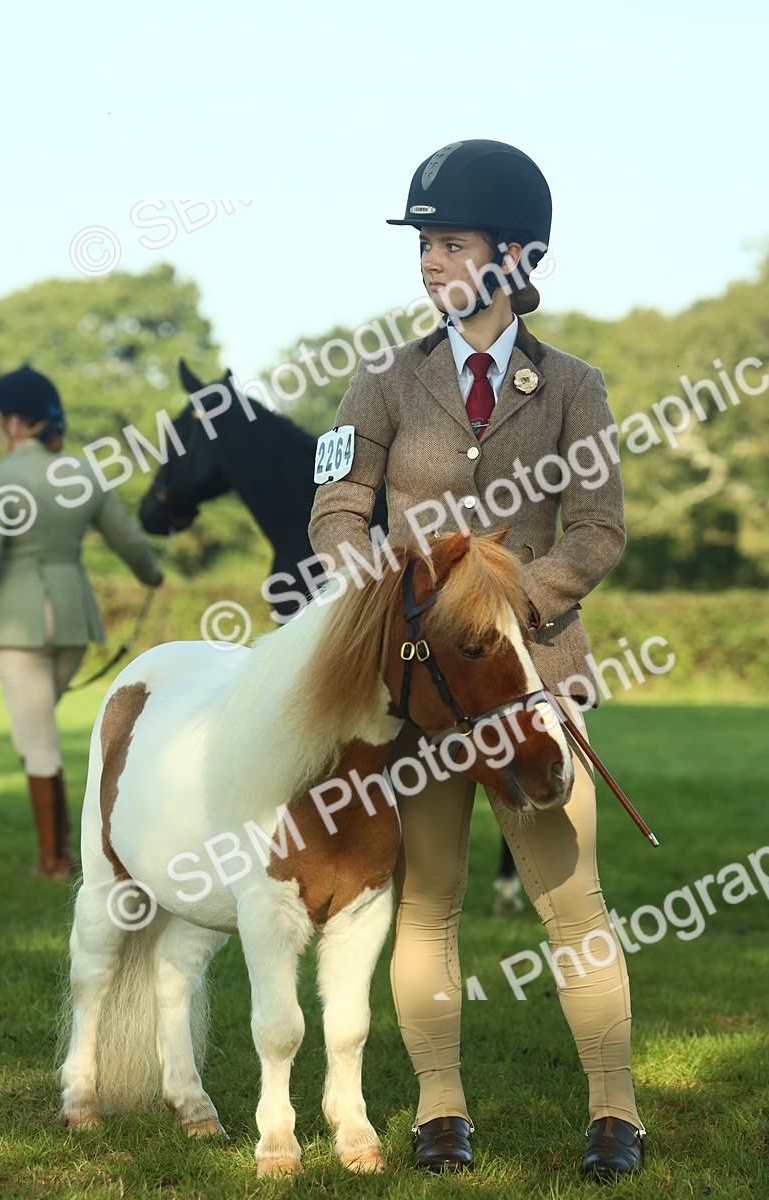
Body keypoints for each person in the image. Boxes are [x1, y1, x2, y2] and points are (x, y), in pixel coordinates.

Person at [308, 140, 645, 1179]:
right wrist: (372, 585)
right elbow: (335, 509)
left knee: (570, 903)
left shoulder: (573, 387)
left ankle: (613, 1113)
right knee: (430, 903)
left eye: (446, 243)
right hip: (421, 701)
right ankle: (439, 1110)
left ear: (508, 256)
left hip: (534, 678)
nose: (426, 263)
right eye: (422, 246)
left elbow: (593, 531)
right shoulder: (382, 381)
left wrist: (497, 607)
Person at [0, 366, 163, 879]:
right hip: (74, 620)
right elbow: (130, 544)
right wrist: (154, 574)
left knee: (34, 738)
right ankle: (68, 849)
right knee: (37, 732)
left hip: (16, 620)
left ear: (13, 421)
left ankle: (56, 860)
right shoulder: (85, 475)